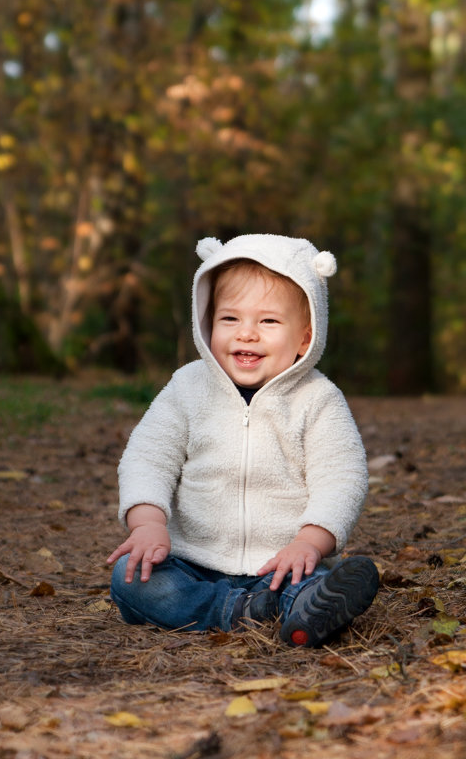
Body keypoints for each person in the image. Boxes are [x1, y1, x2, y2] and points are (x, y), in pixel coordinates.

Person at [107, 233, 378, 648]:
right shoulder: (187, 387)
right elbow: (148, 456)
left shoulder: (318, 399)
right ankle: (249, 610)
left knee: (312, 582)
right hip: (189, 561)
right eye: (230, 319)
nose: (246, 334)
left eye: (268, 321)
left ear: (305, 337)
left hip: (282, 562)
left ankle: (295, 603)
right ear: (207, 322)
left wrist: (310, 541)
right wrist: (148, 524)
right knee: (132, 578)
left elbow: (343, 476)